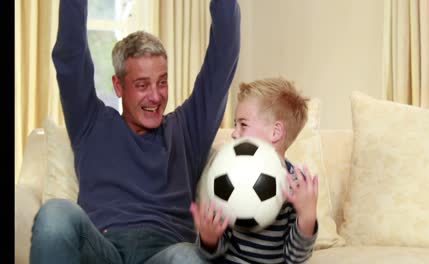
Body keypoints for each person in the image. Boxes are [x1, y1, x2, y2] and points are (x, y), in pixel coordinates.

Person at [29, 0, 240, 263]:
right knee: (55, 214)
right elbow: (70, 57)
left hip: (166, 252)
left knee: (189, 258)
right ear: (118, 86)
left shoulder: (186, 129)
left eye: (162, 82)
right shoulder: (91, 123)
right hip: (102, 249)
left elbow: (223, 57)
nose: (155, 96)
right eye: (142, 85)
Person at [189, 77, 319, 264]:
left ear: (276, 132)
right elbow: (215, 251)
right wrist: (210, 239)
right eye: (236, 124)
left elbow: (295, 258)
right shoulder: (225, 173)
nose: (234, 133)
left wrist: (307, 218)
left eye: (243, 124)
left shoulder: (296, 186)